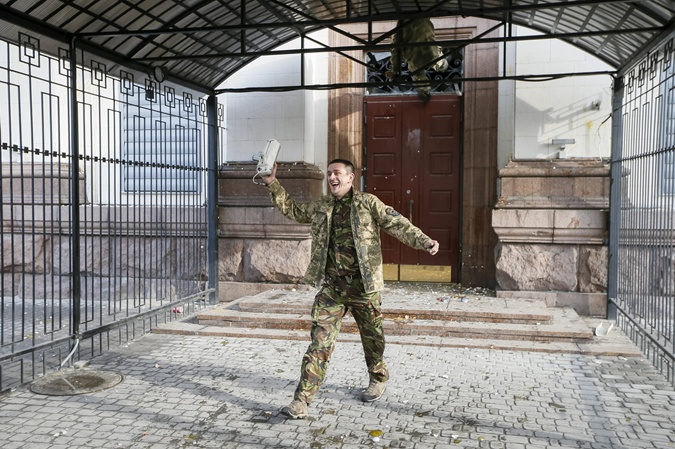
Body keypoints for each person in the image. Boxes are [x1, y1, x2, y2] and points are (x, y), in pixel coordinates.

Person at [261, 159, 439, 419]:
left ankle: (378, 377)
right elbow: (295, 211)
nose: (332, 177)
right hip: (332, 289)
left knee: (372, 339)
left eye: (337, 173)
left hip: (363, 288)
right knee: (318, 344)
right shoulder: (323, 206)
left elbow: (397, 223)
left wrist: (424, 240)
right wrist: (272, 183)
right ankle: (301, 400)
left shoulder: (368, 203)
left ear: (350, 178)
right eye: (329, 173)